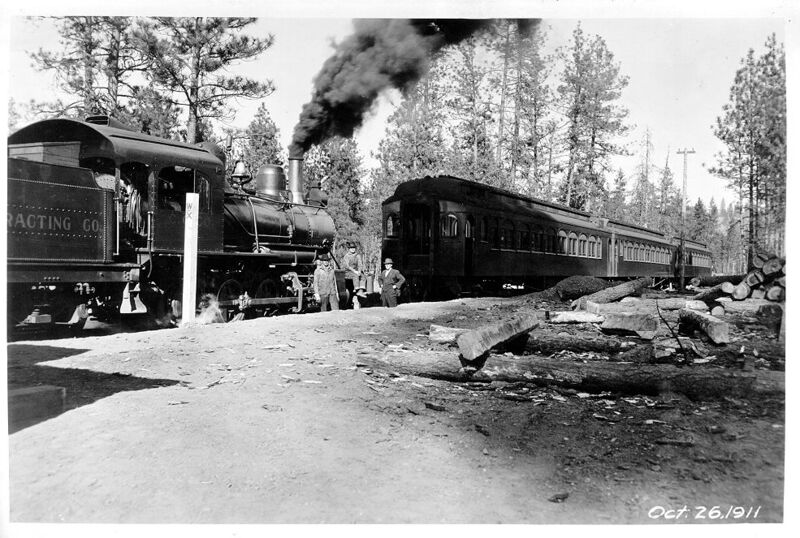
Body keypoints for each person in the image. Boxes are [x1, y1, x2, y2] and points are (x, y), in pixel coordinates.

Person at [342, 242, 367, 309]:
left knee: (363, 275)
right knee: (355, 276)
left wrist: (359, 271)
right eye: (351, 248)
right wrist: (355, 271)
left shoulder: (357, 255)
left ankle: (361, 289)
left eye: (354, 248)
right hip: (348, 271)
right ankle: (357, 289)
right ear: (349, 249)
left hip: (356, 270)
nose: (353, 249)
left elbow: (360, 264)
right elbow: (347, 266)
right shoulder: (346, 256)